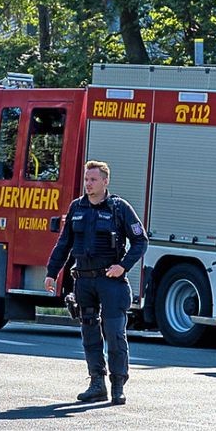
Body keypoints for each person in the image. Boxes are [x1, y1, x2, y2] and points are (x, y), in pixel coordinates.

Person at [45, 160, 148, 404]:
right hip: (84, 281)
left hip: (110, 282)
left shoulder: (119, 208)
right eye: (86, 179)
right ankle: (96, 383)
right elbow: (64, 244)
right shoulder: (77, 208)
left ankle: (118, 385)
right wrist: (52, 272)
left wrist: (123, 266)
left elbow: (140, 241)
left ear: (105, 181)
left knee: (114, 334)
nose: (88, 184)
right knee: (89, 333)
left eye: (93, 180)